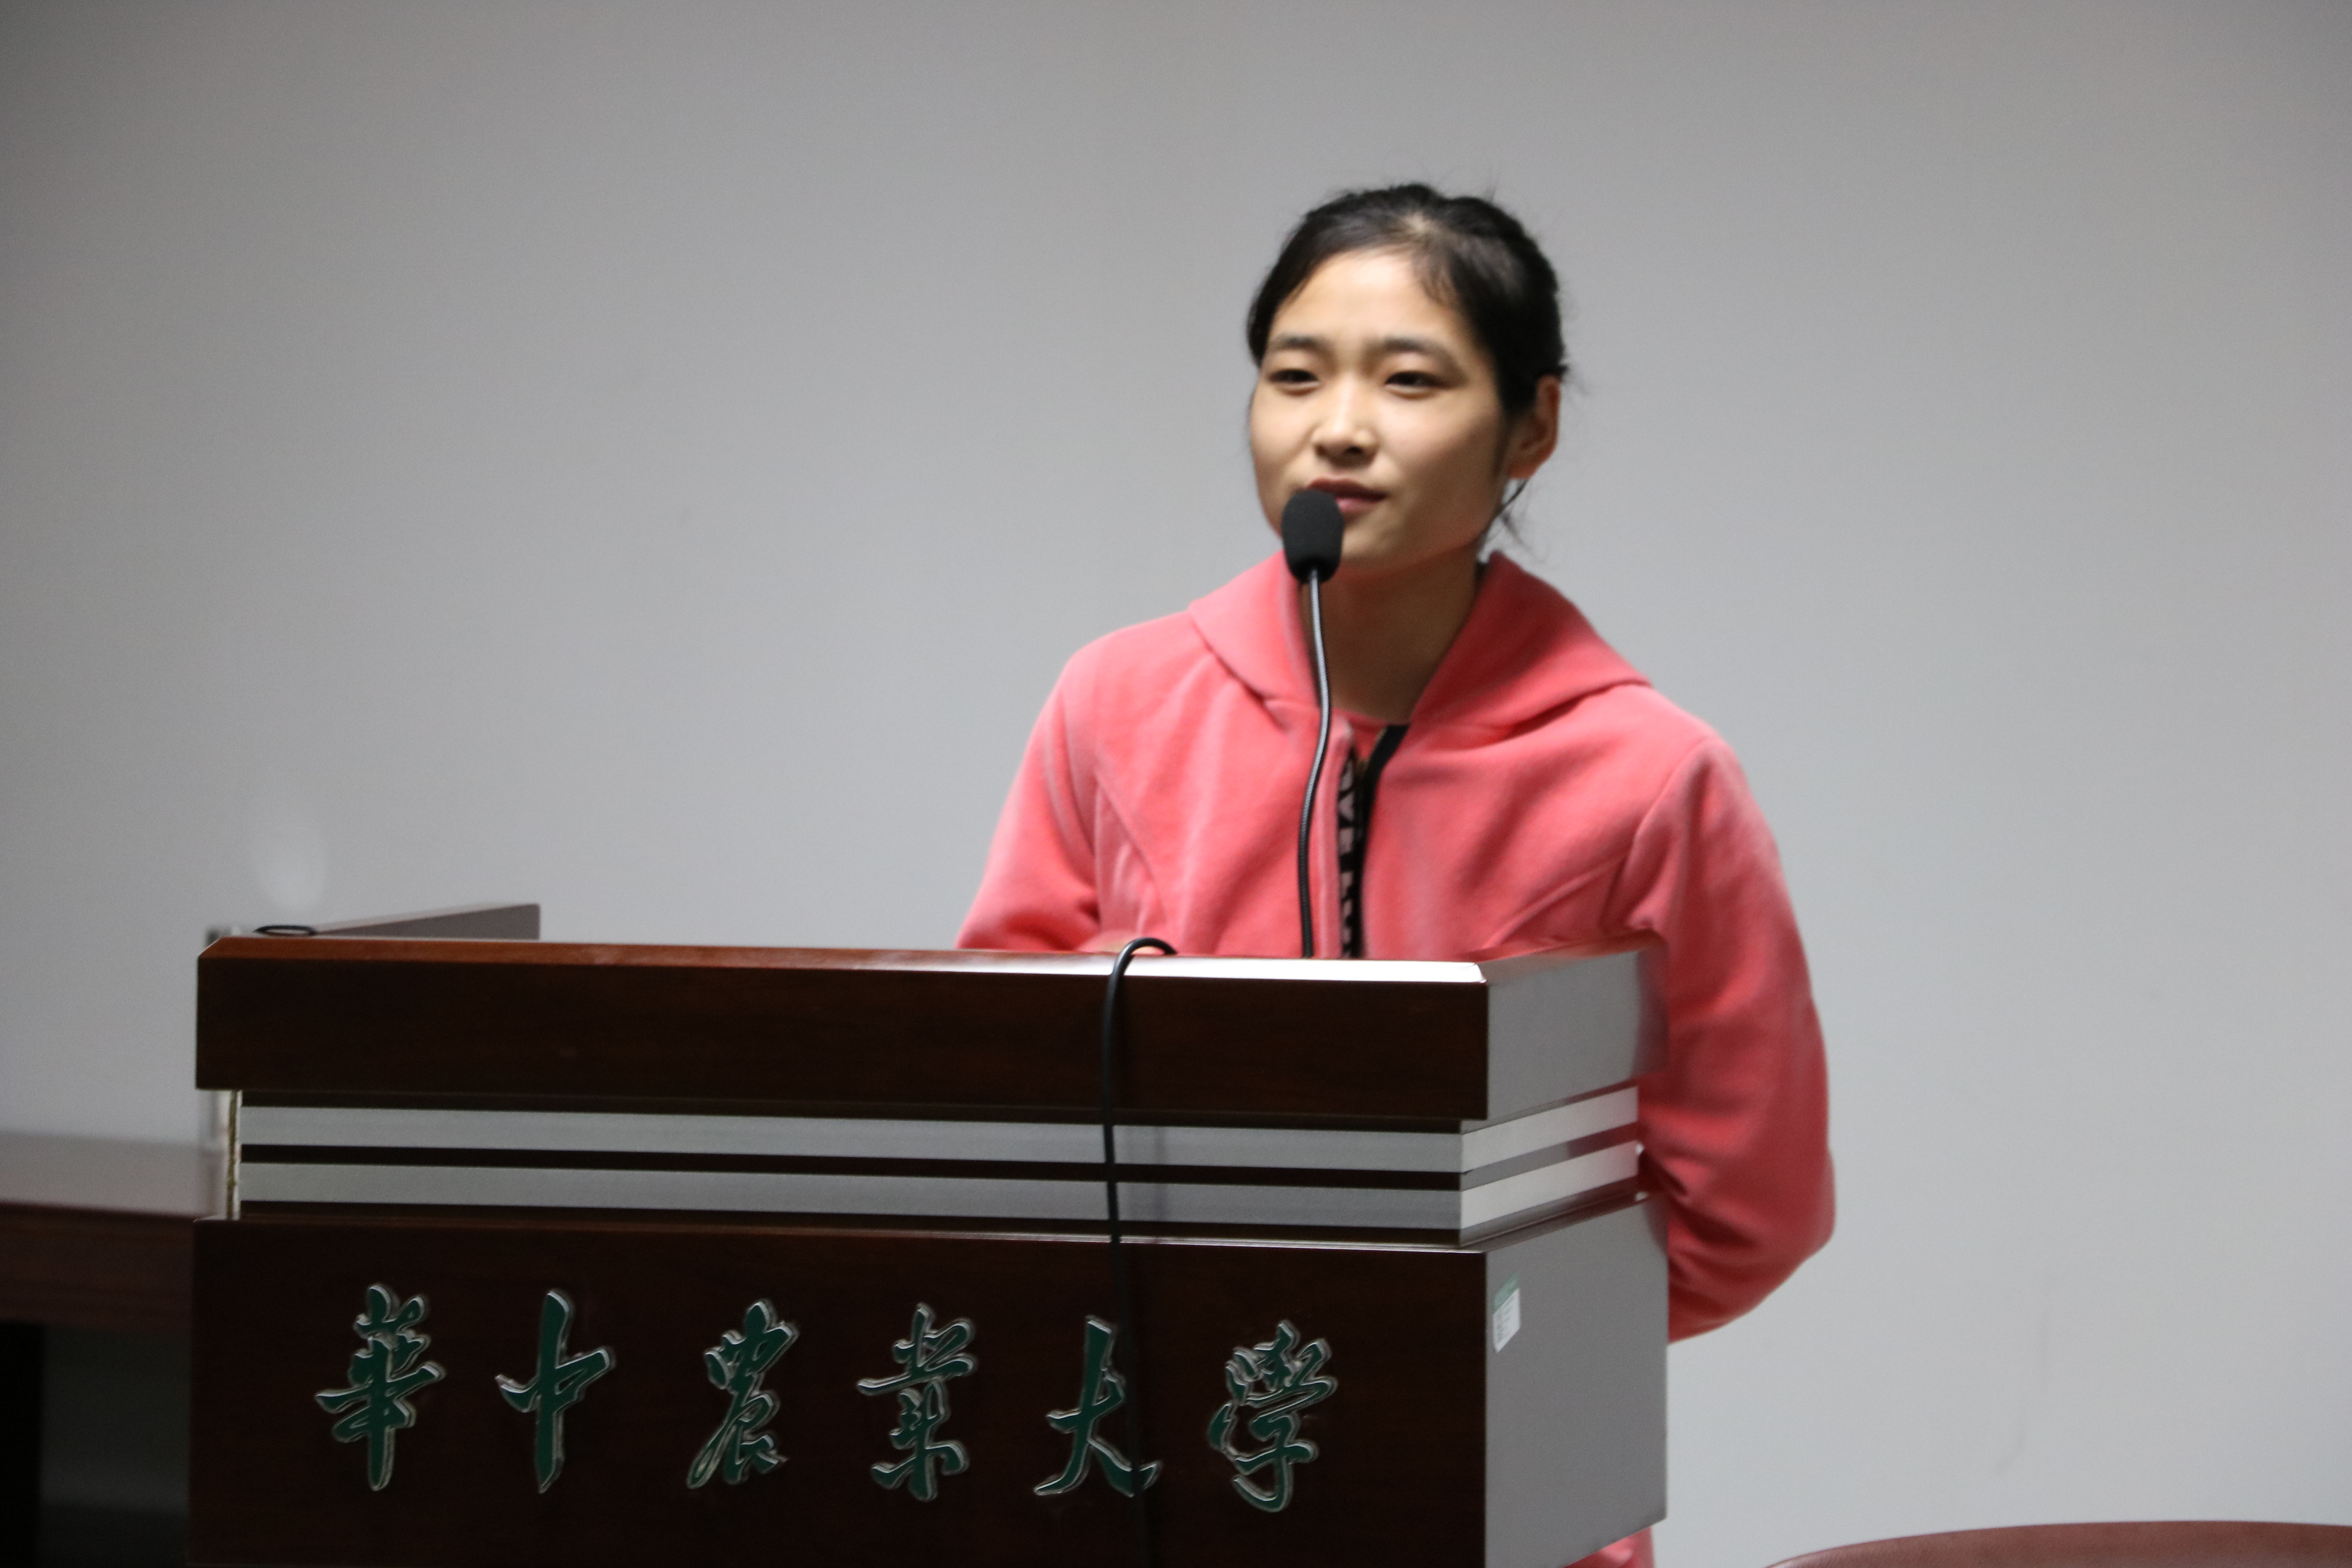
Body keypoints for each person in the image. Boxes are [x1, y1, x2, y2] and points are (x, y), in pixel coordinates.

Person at [957, 184, 1833, 1568]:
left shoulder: (1651, 774)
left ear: (1531, 426)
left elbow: (1751, 1201)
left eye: (1410, 381)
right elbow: (1000, 1087)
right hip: (1159, 1474)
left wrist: (1488, 1337)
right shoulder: (1116, 703)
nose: (1339, 427)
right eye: (1295, 376)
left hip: (1493, 1485)